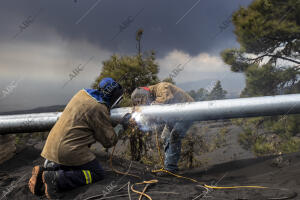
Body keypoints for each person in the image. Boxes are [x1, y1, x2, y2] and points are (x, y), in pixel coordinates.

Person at [28, 77, 131, 199]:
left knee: (75, 165)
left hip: (51, 146)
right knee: (96, 173)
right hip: (69, 150)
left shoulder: (82, 94)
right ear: (113, 97)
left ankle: (46, 172)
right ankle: (57, 179)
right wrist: (122, 126)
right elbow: (109, 141)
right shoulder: (99, 108)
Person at [131, 82, 194, 174]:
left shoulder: (162, 87)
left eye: (142, 102)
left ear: (145, 96)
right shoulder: (151, 96)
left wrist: (146, 111)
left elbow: (164, 100)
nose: (144, 105)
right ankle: (169, 165)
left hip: (188, 113)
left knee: (174, 136)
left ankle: (171, 169)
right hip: (175, 116)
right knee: (165, 137)